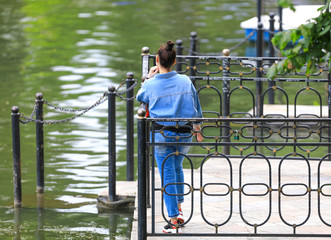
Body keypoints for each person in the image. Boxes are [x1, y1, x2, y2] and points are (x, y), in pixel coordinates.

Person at [136, 40, 203, 233]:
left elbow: (141, 97)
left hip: (162, 135)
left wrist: (148, 78)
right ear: (174, 62)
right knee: (176, 166)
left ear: (157, 60)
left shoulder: (151, 85)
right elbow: (197, 106)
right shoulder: (186, 81)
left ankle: (174, 219)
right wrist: (197, 128)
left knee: (167, 174)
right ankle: (179, 209)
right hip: (185, 134)